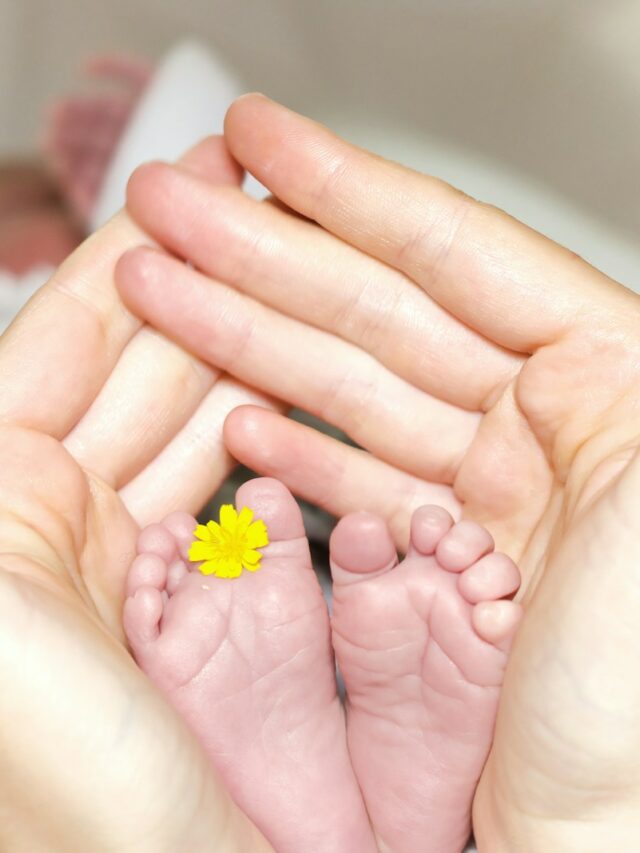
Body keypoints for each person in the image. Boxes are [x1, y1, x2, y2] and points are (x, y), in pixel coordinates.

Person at [0, 96, 637, 851]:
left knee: (309, 577)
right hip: (276, 578)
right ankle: (388, 797)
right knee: (328, 583)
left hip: (282, 569)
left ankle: (325, 790)